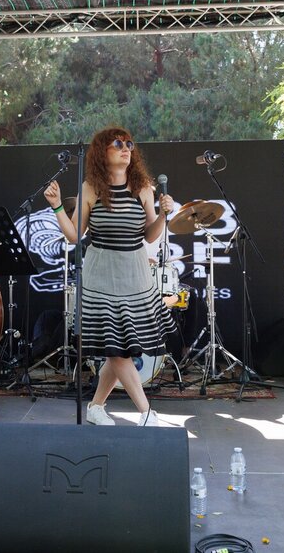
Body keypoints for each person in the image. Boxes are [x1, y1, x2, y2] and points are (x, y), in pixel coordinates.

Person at [44, 127, 175, 426]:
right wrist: (57, 207)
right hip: (101, 273)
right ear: (102, 152)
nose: (126, 148)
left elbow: (150, 236)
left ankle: (95, 407)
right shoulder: (91, 188)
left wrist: (164, 215)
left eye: (129, 144)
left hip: (135, 274)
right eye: (117, 144)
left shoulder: (143, 188)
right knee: (117, 348)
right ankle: (146, 412)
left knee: (122, 347)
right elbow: (75, 235)